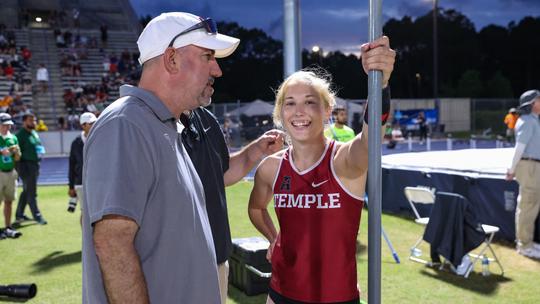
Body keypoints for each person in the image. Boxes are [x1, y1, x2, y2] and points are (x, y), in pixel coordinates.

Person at [81, 12, 240, 304]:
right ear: (172, 59)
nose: (217, 70)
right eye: (208, 56)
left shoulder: (164, 125)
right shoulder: (126, 124)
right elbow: (113, 243)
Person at [248, 36, 395, 304]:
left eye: (310, 102)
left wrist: (380, 86)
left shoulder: (343, 160)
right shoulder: (271, 167)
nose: (299, 111)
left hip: (336, 297)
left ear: (328, 110)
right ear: (280, 113)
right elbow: (256, 208)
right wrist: (273, 237)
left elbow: (369, 140)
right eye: (290, 103)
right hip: (281, 293)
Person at [180, 107, 284, 303]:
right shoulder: (148, 121)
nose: (216, 74)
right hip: (175, 264)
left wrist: (256, 150)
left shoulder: (205, 118)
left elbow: (222, 173)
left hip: (217, 256)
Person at [506, 89, 540, 259]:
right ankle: (525, 246)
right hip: (530, 167)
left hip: (533, 166)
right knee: (528, 206)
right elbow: (519, 147)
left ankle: (528, 242)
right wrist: (511, 170)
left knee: (531, 205)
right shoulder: (527, 121)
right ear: (532, 103)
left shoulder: (532, 120)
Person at [15, 113, 46, 225]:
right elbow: (16, 154)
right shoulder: (20, 135)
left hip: (35, 165)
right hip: (25, 166)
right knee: (31, 192)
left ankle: (19, 214)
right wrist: (18, 170)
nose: (33, 122)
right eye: (30, 120)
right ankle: (37, 215)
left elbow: (38, 147)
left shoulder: (34, 133)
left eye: (34, 120)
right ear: (24, 122)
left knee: (27, 191)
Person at [67, 113, 96, 223]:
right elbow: (72, 164)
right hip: (80, 183)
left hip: (97, 182)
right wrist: (71, 186)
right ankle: (86, 238)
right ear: (83, 125)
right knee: (85, 212)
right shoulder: (76, 142)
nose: (95, 125)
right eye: (91, 123)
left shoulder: (99, 139)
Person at [0, 113, 22, 239]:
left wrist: (16, 152)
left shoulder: (13, 138)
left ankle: (8, 227)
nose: (7, 128)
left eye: (8, 125)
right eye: (4, 125)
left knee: (9, 201)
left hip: (11, 172)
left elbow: (18, 158)